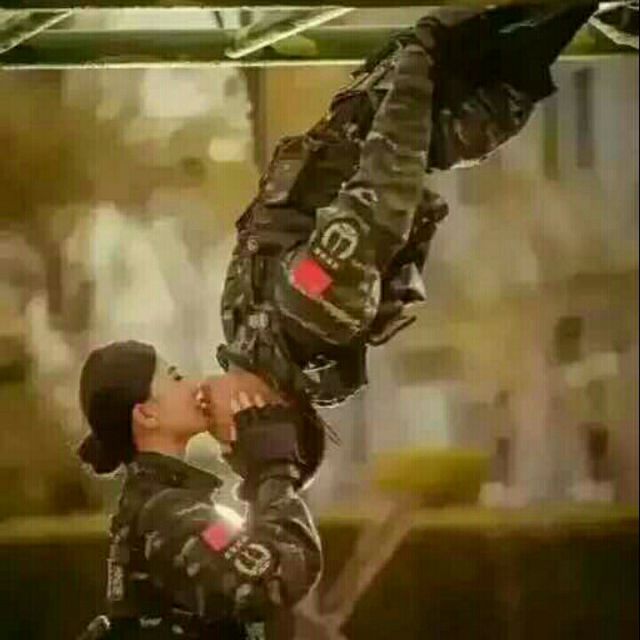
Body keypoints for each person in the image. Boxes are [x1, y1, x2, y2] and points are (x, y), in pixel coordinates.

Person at [218, 3, 603, 410]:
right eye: (215, 420)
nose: (204, 404)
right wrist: (420, 61)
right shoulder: (307, 312)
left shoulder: (249, 327)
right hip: (448, 95)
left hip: (425, 94)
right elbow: (384, 193)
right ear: (253, 409)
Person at [76, 340, 322, 640]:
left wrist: (258, 477)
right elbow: (268, 581)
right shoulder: (169, 515)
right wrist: (273, 471)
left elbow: (245, 555)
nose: (195, 385)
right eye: (176, 377)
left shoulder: (160, 505)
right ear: (147, 415)